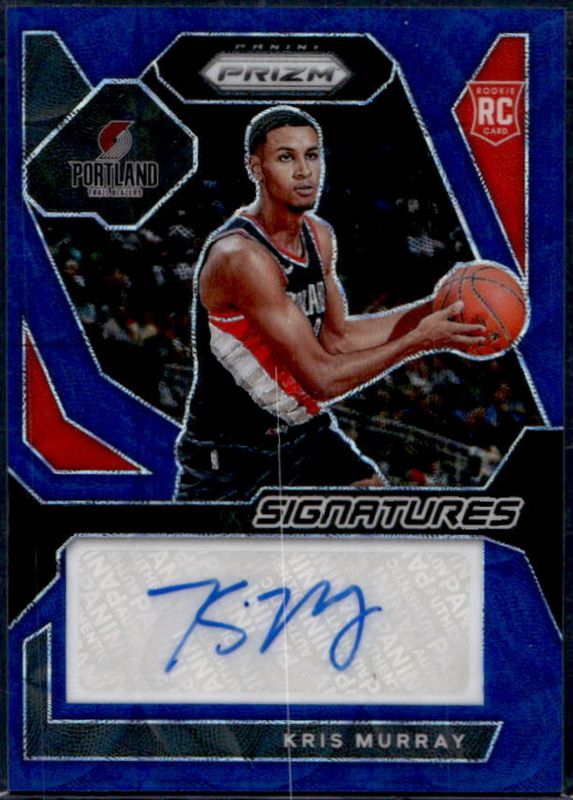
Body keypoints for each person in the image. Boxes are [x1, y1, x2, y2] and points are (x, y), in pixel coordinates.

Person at [174, 106, 484, 500]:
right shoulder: (241, 258)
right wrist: (420, 341)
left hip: (303, 432)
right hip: (231, 452)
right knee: (227, 545)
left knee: (372, 502)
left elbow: (339, 339)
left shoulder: (318, 237)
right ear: (256, 168)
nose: (304, 171)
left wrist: (436, 306)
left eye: (312, 155)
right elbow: (321, 379)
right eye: (286, 157)